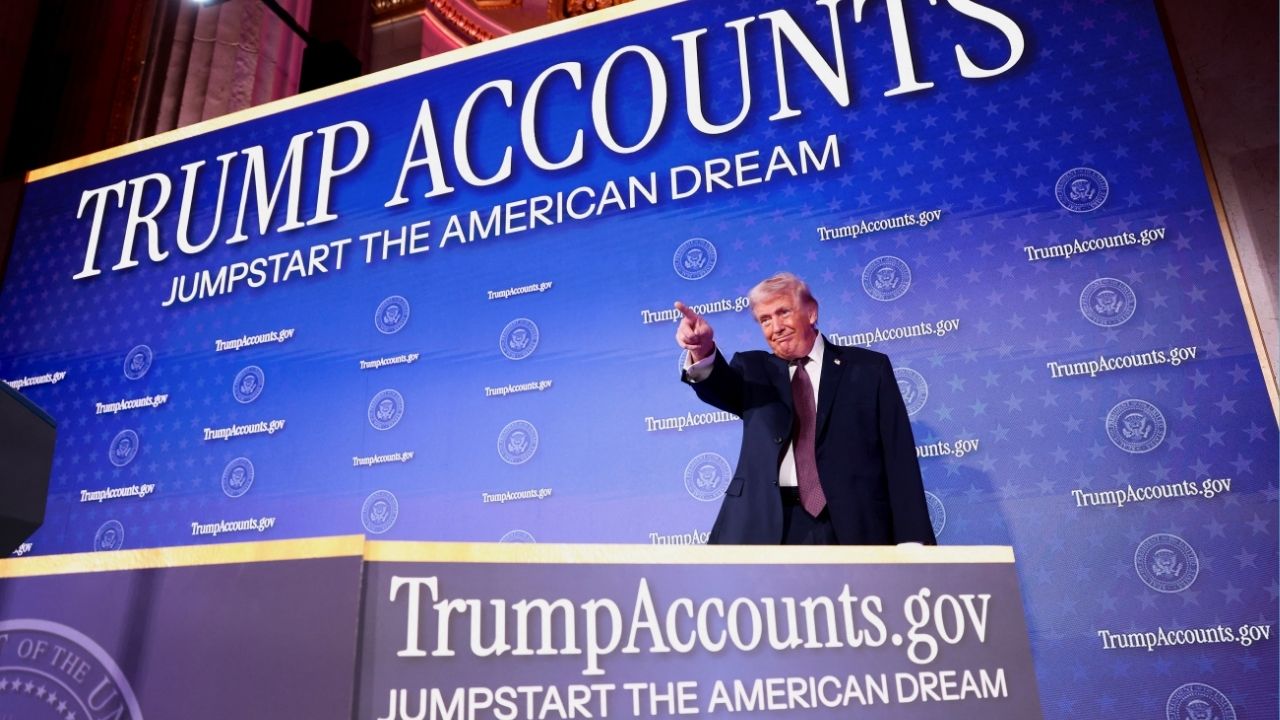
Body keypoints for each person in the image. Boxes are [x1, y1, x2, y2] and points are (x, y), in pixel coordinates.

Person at [676, 272, 935, 545]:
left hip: (851, 524)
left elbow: (897, 454)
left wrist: (912, 537)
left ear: (811, 312)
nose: (776, 327)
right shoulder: (753, 370)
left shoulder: (868, 369)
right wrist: (702, 351)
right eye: (765, 320)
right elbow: (718, 386)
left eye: (783, 312)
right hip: (765, 526)